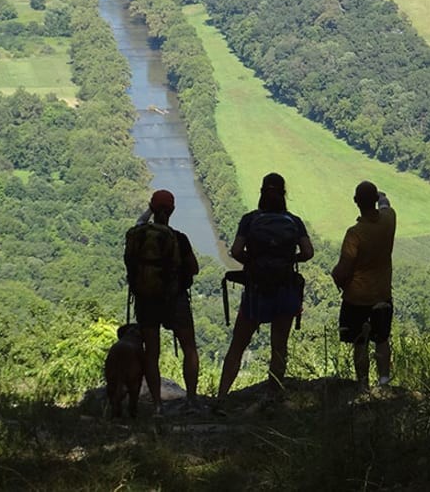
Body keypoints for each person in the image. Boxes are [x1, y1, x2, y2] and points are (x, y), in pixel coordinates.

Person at [218, 173, 314, 402]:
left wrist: (254, 263)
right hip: (285, 289)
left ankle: (221, 397)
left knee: (238, 345)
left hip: (256, 290)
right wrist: (288, 261)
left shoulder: (250, 219)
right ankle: (273, 398)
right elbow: (308, 253)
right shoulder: (294, 221)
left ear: (262, 192)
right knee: (279, 346)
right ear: (284, 194)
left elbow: (235, 251)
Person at [125, 189, 201, 415]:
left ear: (152, 207)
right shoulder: (179, 238)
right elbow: (194, 268)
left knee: (152, 352)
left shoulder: (138, 235)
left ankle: (157, 404)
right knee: (189, 348)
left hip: (146, 300)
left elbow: (138, 226)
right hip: (174, 299)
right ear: (173, 210)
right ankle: (191, 400)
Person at [331, 181, 396, 390]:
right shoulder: (389, 220)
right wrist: (382, 196)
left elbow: (343, 270)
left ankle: (363, 385)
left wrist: (337, 279)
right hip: (383, 293)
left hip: (357, 297)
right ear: (375, 200)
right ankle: (384, 381)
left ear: (356, 202)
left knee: (360, 342)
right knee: (382, 339)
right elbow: (386, 205)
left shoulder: (355, 234)